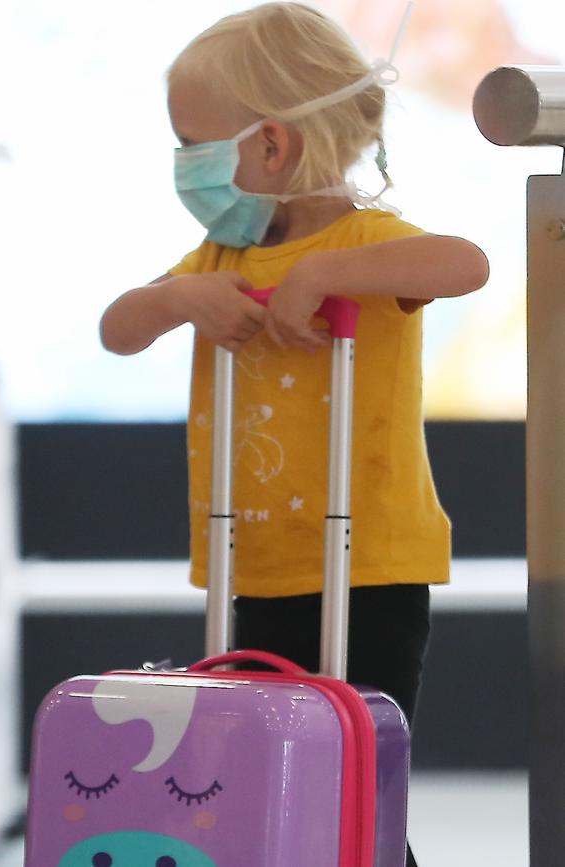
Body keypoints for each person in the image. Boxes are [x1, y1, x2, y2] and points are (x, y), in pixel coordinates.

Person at [100, 4, 489, 865]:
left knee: (353, 771)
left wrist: (327, 271)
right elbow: (118, 329)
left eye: (194, 143)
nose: (185, 167)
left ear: (270, 146)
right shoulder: (217, 259)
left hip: (369, 563)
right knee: (253, 773)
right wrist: (174, 300)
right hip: (256, 560)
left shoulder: (368, 240)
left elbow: (466, 262)